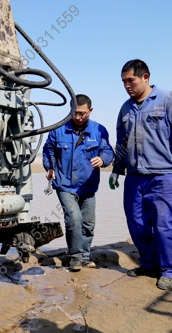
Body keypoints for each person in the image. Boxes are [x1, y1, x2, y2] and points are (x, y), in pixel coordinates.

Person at [109, 59, 172, 290]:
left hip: (165, 176)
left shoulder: (168, 100)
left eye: (131, 80)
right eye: (123, 81)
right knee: (137, 223)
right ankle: (149, 264)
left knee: (165, 224)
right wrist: (117, 170)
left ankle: (171, 270)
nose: (127, 85)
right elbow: (122, 143)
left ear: (145, 77)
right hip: (135, 177)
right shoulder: (125, 108)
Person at [43, 94, 114, 271]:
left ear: (90, 110)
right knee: (74, 218)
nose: (78, 117)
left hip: (88, 186)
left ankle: (84, 256)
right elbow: (48, 150)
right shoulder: (58, 130)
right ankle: (75, 257)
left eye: (82, 113)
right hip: (64, 185)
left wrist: (103, 159)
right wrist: (50, 168)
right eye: (75, 113)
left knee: (88, 223)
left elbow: (107, 151)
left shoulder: (99, 130)